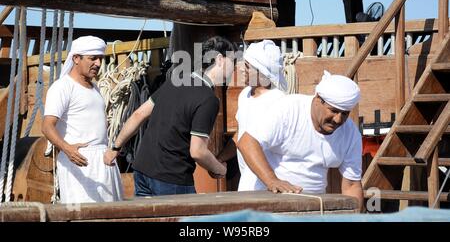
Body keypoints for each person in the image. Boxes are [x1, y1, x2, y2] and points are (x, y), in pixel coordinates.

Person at [104, 36, 236, 196]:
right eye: (233, 61)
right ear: (220, 59)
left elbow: (138, 114)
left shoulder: (176, 80)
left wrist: (115, 148)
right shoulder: (209, 99)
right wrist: (219, 168)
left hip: (142, 170)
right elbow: (198, 151)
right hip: (172, 177)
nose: (234, 67)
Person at [238, 70, 364, 210]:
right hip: (268, 203)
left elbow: (352, 185)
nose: (338, 119)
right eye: (333, 111)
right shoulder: (289, 109)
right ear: (318, 98)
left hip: (315, 208)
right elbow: (247, 142)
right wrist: (272, 180)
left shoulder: (351, 133)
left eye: (345, 114)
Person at [42, 36, 123, 204]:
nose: (98, 63)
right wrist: (67, 149)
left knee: (111, 214)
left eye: (100, 58)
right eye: (92, 58)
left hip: (104, 160)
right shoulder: (62, 87)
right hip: (79, 163)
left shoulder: (95, 88)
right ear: (76, 58)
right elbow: (47, 126)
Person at [215, 40, 287, 191]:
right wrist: (220, 159)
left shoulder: (279, 100)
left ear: (263, 71)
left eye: (247, 67)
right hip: (246, 182)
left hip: (268, 186)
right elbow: (241, 134)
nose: (242, 70)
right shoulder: (244, 95)